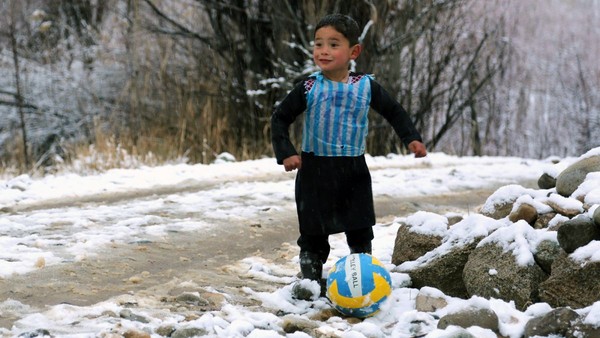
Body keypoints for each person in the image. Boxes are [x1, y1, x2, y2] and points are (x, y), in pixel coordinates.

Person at [270, 13, 427, 299]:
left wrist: (411, 138)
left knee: (359, 225)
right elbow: (280, 118)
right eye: (318, 44)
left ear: (353, 51)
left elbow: (394, 112)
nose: (324, 51)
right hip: (314, 169)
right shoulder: (308, 87)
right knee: (313, 230)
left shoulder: (366, 87)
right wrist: (287, 152)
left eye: (333, 44)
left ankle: (363, 274)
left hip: (353, 168)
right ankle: (310, 277)